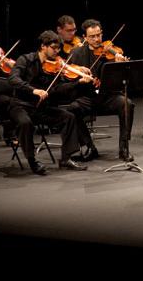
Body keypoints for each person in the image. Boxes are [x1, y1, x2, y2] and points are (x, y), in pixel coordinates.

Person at [8, 30, 90, 174]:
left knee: (68, 117)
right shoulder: (25, 60)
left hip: (40, 108)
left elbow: (58, 89)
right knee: (25, 123)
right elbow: (13, 79)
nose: (57, 51)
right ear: (43, 46)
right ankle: (33, 162)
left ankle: (66, 158)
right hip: (20, 105)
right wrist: (33, 90)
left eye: (59, 48)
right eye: (54, 48)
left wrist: (78, 83)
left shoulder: (55, 66)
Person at [67, 19, 135, 162]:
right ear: (85, 37)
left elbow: (123, 81)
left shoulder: (111, 53)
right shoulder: (76, 53)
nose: (97, 39)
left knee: (127, 104)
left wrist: (121, 65)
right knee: (72, 109)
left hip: (108, 96)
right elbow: (69, 77)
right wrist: (81, 80)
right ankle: (89, 146)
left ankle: (124, 148)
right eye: (92, 36)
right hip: (87, 97)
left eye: (99, 35)